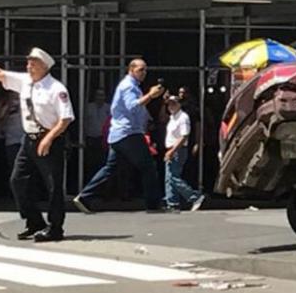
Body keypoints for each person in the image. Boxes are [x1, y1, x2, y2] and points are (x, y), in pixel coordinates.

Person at [0, 42, 74, 242]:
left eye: (33, 63)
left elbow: (65, 119)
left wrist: (49, 138)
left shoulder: (56, 88)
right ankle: (34, 222)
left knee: (53, 185)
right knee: (17, 180)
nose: (28, 66)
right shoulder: (25, 81)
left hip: (50, 138)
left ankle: (55, 227)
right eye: (28, 63)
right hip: (28, 138)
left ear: (44, 66)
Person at [75, 58, 166, 213]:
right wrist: (150, 95)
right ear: (131, 70)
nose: (143, 73)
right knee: (148, 166)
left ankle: (85, 196)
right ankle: (153, 204)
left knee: (111, 168)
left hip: (119, 134)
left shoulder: (131, 86)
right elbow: (132, 106)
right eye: (140, 70)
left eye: (145, 70)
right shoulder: (129, 86)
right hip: (129, 133)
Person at [162, 95, 204, 212]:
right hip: (171, 148)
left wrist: (172, 151)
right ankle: (172, 202)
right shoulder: (172, 117)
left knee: (173, 177)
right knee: (169, 177)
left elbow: (184, 136)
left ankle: (194, 196)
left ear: (179, 104)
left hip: (178, 150)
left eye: (173, 104)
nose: (171, 106)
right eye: (169, 104)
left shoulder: (183, 117)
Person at [0, 90, 25, 197]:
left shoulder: (26, 104)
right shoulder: (5, 106)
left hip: (23, 140)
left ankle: (26, 194)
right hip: (11, 141)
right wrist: (7, 106)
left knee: (26, 169)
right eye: (12, 95)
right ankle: (15, 194)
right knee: (13, 168)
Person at [83, 87, 110, 180]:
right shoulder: (88, 107)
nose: (100, 97)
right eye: (98, 95)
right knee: (90, 163)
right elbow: (84, 123)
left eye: (102, 95)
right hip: (90, 139)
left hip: (103, 140)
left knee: (102, 163)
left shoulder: (108, 108)